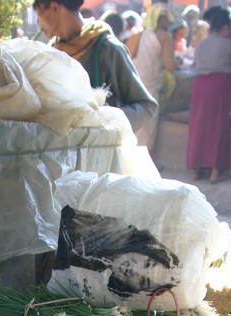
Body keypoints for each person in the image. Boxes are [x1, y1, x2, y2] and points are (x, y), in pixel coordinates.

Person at [32, 0, 157, 133]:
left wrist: (104, 120)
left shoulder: (107, 49)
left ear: (54, 8)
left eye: (38, 14)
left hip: (99, 151)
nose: (38, 22)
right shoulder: (51, 51)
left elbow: (146, 107)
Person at [187, 7, 231, 184]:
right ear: (226, 27)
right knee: (219, 126)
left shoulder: (202, 44)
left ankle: (196, 170)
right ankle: (214, 172)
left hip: (199, 86)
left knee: (198, 125)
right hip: (220, 86)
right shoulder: (228, 44)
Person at [131, 3, 176, 153]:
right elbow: (170, 65)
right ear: (161, 19)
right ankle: (146, 167)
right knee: (147, 131)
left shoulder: (136, 36)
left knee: (133, 129)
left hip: (132, 86)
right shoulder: (164, 37)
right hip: (150, 88)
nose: (169, 23)